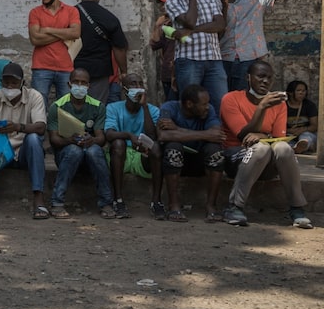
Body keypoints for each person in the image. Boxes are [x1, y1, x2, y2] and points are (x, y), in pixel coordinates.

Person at [219, 61, 312, 229]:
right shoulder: (231, 99)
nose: (265, 81)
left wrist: (262, 135)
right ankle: (234, 207)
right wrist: (261, 108)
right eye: (260, 76)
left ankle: (297, 208)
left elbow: (278, 138)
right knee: (260, 148)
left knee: (284, 148)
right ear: (248, 78)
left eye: (269, 78)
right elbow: (243, 136)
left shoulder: (279, 104)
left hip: (266, 162)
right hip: (236, 158)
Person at [218, 0, 323, 91]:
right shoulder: (215, 2)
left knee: (245, 98)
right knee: (224, 99)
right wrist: (224, 6)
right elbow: (218, 31)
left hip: (249, 58)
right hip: (224, 57)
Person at [0, 62, 48, 219]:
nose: (10, 87)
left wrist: (18, 127)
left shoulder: (34, 96)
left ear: (22, 84)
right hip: (2, 152)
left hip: (25, 152)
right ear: (1, 82)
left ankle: (38, 199)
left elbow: (41, 127)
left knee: (33, 139)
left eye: (14, 83)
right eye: (6, 82)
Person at [48, 68, 115, 219]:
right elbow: (53, 139)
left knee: (95, 151)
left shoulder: (98, 106)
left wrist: (92, 140)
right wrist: (69, 140)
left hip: (89, 152)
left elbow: (101, 138)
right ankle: (57, 203)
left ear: (89, 86)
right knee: (73, 150)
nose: (80, 86)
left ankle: (106, 202)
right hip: (66, 155)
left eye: (83, 83)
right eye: (76, 82)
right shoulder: (57, 106)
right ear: (69, 84)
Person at [158, 85, 227, 223]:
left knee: (215, 150)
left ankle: (211, 206)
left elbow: (217, 135)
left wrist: (177, 130)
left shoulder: (209, 111)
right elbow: (162, 135)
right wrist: (205, 135)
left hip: (200, 162)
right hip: (174, 164)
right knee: (173, 147)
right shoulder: (169, 108)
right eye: (203, 104)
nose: (207, 107)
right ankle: (174, 205)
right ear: (189, 104)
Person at [164, 0, 227, 113]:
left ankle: (216, 133)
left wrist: (192, 31)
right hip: (189, 61)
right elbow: (190, 21)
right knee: (190, 104)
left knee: (220, 102)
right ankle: (192, 135)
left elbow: (220, 25)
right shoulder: (173, 1)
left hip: (214, 59)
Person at [104, 73, 163, 219]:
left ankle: (156, 202)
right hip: (120, 156)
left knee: (156, 148)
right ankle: (118, 201)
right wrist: (129, 136)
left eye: (140, 84)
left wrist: (144, 107)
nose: (137, 88)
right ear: (124, 90)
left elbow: (153, 136)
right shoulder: (113, 108)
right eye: (133, 84)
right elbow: (109, 134)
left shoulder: (153, 110)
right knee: (118, 143)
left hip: (141, 157)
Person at [28, 0, 81, 111]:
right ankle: (39, 133)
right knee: (38, 107)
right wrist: (64, 33)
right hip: (41, 67)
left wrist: (47, 29)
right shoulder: (35, 12)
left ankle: (60, 133)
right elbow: (35, 39)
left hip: (65, 67)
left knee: (66, 109)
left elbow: (76, 33)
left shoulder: (71, 11)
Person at [73, 0, 128, 104]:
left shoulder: (70, 14)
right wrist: (123, 72)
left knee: (74, 106)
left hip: (75, 70)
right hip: (100, 71)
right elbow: (119, 48)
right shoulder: (109, 17)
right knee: (97, 107)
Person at [149, 0, 177, 101]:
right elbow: (154, 44)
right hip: (167, 72)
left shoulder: (184, 22)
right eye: (162, 4)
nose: (162, 7)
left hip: (179, 70)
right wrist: (157, 26)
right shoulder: (165, 24)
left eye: (165, 4)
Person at [285, 80, 317, 154]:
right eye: (298, 90)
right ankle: (294, 148)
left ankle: (302, 145)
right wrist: (290, 131)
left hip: (305, 132)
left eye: (303, 91)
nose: (301, 93)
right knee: (283, 141)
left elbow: (314, 126)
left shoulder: (309, 105)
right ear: (290, 93)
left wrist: (302, 130)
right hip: (288, 134)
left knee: (307, 137)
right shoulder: (283, 106)